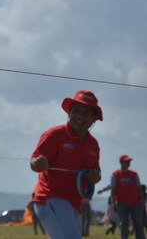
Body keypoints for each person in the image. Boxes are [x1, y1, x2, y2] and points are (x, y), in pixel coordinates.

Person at [30, 90, 103, 239]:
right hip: (51, 199)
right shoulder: (54, 135)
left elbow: (97, 174)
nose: (80, 116)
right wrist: (38, 163)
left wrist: (94, 176)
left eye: (85, 113)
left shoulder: (93, 144)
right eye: (76, 111)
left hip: (75, 203)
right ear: (69, 113)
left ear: (93, 118)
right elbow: (35, 161)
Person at [110, 155, 145, 239]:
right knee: (123, 225)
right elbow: (113, 190)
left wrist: (142, 201)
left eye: (129, 161)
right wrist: (113, 203)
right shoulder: (115, 174)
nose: (128, 163)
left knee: (138, 224)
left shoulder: (134, 174)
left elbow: (139, 188)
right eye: (126, 161)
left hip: (135, 203)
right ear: (121, 162)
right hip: (121, 204)